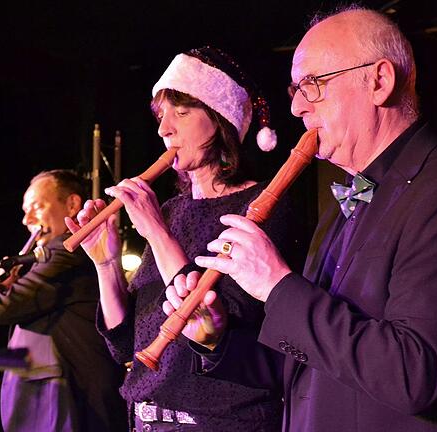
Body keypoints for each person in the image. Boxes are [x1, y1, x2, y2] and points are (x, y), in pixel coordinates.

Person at [167, 6, 437, 432]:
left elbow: (415, 375)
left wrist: (276, 286)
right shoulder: (343, 205)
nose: (295, 107)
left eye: (312, 85)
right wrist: (217, 340)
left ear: (379, 81)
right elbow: (309, 365)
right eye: (294, 89)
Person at [65, 47, 307, 430]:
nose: (164, 129)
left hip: (220, 420)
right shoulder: (169, 210)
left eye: (181, 112)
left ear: (220, 119)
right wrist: (105, 263)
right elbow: (125, 346)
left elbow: (220, 326)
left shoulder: (262, 206)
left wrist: (157, 234)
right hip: (145, 416)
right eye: (162, 115)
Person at [0, 169, 127, 432]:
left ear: (71, 204)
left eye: (37, 207)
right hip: (48, 399)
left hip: (66, 400)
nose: (27, 220)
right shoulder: (49, 256)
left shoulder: (68, 249)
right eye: (25, 210)